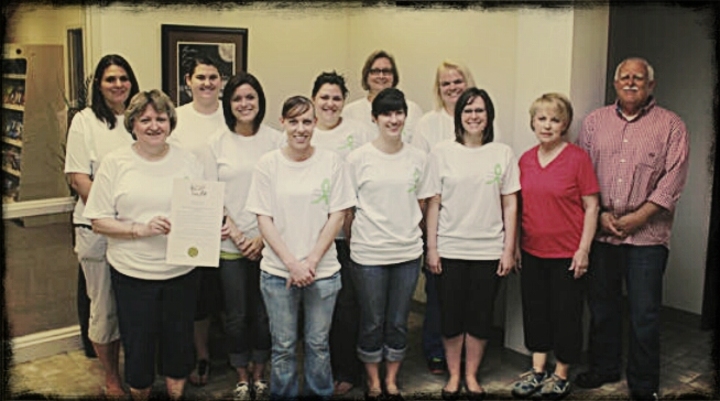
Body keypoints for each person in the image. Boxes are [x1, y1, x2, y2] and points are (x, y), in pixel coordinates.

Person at [575, 57, 690, 401]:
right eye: (624, 77)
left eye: (638, 78)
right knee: (602, 308)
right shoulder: (594, 123)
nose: (630, 82)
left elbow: (673, 182)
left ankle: (643, 384)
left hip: (648, 239)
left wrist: (637, 218)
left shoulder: (672, 126)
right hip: (603, 231)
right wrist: (604, 215)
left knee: (644, 314)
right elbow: (582, 174)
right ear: (615, 84)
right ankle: (604, 368)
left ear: (651, 85)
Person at [84, 90, 209, 401]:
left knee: (179, 347)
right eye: (146, 120)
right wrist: (139, 229)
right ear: (133, 124)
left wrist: (209, 226)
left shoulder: (188, 160)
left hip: (182, 272)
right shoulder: (115, 164)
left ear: (170, 123)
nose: (154, 126)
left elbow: (202, 207)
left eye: (161, 119)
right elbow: (97, 220)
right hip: (133, 275)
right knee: (138, 349)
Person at [245, 96, 356, 400]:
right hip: (277, 272)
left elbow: (337, 215)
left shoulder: (332, 162)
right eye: (293, 121)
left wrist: (311, 262)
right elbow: (263, 219)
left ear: (315, 124)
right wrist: (293, 263)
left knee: (318, 344)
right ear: (282, 123)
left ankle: (320, 393)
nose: (300, 128)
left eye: (307, 121)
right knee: (283, 346)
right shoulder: (268, 164)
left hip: (323, 271)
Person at [425, 87, 520, 400]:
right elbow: (434, 203)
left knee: (480, 317)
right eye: (468, 110)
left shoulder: (502, 153)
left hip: (488, 250)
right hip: (450, 249)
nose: (474, 116)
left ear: (488, 115)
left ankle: (471, 376)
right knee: (451, 317)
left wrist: (508, 249)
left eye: (479, 110)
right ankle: (453, 376)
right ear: (458, 115)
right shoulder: (441, 152)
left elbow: (510, 204)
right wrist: (433, 247)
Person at [510, 93, 600, 400]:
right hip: (533, 251)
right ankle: (537, 371)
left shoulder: (577, 158)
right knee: (535, 311)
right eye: (541, 118)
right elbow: (519, 207)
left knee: (566, 315)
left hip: (567, 255)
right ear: (532, 121)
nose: (547, 125)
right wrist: (517, 246)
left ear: (565, 124)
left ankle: (561, 375)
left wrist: (584, 249)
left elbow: (592, 207)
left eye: (555, 119)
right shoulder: (524, 159)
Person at [345, 88, 432, 401]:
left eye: (398, 113)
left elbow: (423, 203)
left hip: (407, 252)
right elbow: (347, 209)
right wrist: (359, 241)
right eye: (386, 114)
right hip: (368, 253)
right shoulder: (358, 158)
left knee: (398, 320)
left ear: (405, 117)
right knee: (372, 322)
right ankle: (373, 381)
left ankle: (392, 379)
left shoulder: (419, 158)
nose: (393, 120)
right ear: (374, 118)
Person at [64, 53, 139, 397]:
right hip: (97, 230)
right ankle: (111, 378)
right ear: (99, 84)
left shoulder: (139, 119)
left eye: (123, 78)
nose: (118, 84)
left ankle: (139, 372)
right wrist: (111, 215)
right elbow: (79, 178)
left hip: (137, 232)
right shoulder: (85, 121)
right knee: (104, 308)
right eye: (110, 79)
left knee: (136, 306)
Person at [204, 72, 282, 400]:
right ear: (228, 104)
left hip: (270, 244)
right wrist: (236, 234)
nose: (244, 104)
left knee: (264, 315)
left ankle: (260, 372)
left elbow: (282, 194)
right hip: (230, 244)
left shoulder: (276, 140)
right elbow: (212, 195)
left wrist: (262, 239)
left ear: (260, 101)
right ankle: (240, 374)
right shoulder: (216, 143)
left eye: (250, 97)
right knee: (235, 317)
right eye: (237, 98)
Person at [411, 60, 476, 375]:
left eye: (457, 81)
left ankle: (467, 354)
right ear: (438, 89)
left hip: (474, 221)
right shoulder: (427, 123)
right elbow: (419, 174)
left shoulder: (480, 116)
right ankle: (437, 350)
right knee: (438, 293)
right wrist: (424, 224)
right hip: (437, 219)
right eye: (446, 83)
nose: (452, 88)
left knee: (468, 294)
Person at [309, 71, 371, 396]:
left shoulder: (360, 132)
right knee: (318, 310)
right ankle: (320, 370)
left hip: (349, 236)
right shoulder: (304, 130)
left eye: (336, 98)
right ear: (314, 100)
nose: (330, 104)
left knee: (348, 307)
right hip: (310, 238)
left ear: (344, 101)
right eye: (324, 97)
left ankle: (348, 371)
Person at [167, 54, 226, 388]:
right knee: (198, 296)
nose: (207, 83)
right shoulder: (176, 118)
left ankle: (242, 359)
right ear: (188, 80)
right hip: (192, 220)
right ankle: (201, 355)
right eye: (200, 77)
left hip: (231, 221)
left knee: (233, 298)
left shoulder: (231, 115)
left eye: (213, 77)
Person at [343, 50, 423, 143]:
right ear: (366, 76)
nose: (381, 76)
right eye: (375, 71)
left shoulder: (413, 110)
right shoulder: (350, 112)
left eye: (386, 71)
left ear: (394, 76)